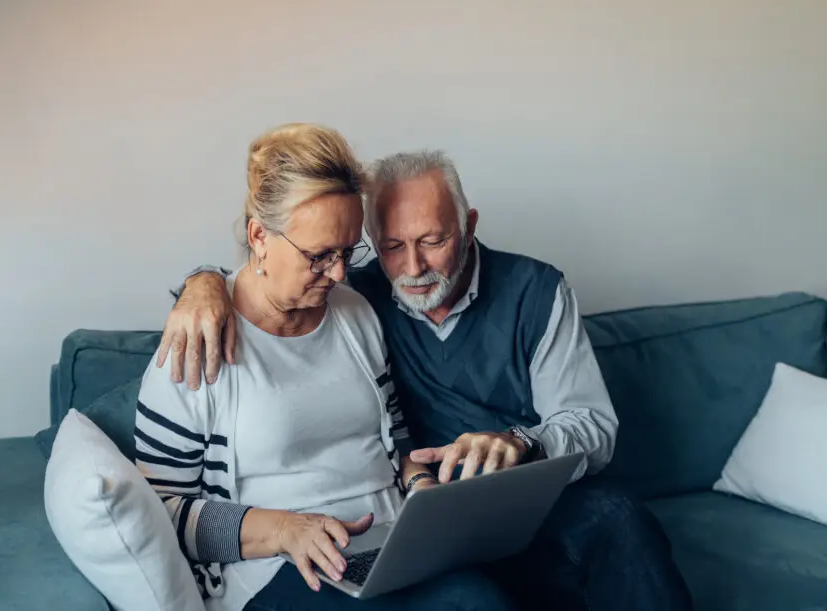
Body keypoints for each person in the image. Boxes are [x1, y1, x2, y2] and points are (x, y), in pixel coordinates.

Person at [162, 149, 695, 611]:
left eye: (433, 241)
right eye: (391, 246)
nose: (413, 266)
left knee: (618, 518)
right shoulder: (356, 297)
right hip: (429, 524)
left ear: (470, 226)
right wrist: (201, 283)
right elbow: (277, 275)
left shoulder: (536, 291)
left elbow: (594, 428)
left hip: (519, 503)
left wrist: (523, 442)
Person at [135, 126, 517, 611]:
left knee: (484, 602)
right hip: (276, 569)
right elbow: (157, 514)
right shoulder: (196, 337)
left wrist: (421, 490)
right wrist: (284, 529)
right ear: (259, 236)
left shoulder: (356, 313)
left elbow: (395, 442)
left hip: (391, 546)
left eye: (348, 252)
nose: (339, 274)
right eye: (319, 257)